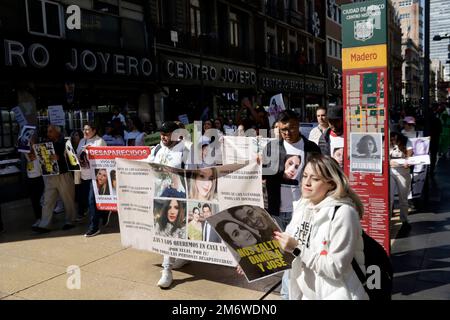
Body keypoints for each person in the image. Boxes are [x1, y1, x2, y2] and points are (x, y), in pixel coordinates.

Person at [273, 154, 368, 300]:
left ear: (331, 183)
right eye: (305, 176)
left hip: (338, 293)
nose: (307, 183)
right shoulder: (303, 204)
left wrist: (297, 248)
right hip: (306, 293)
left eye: (315, 179)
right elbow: (286, 242)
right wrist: (252, 264)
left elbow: (336, 268)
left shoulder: (343, 213)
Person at [147, 121, 192, 288]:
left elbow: (192, 175)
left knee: (170, 233)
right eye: (162, 133)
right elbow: (145, 165)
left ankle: (167, 270)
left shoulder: (185, 151)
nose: (163, 137)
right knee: (170, 233)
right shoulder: (157, 149)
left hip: (177, 199)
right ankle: (183, 256)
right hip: (159, 198)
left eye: (167, 133)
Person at [264, 110, 321, 231]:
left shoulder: (312, 148)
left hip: (303, 210)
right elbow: (263, 176)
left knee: (298, 248)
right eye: (282, 129)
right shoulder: (271, 148)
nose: (287, 133)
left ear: (298, 125)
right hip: (276, 211)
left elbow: (320, 177)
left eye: (291, 128)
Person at [33, 125, 77, 233]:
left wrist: (60, 158)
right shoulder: (46, 143)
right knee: (48, 201)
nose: (48, 133)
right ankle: (45, 224)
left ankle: (70, 221)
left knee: (68, 200)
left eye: (51, 131)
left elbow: (73, 159)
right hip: (50, 175)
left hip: (63, 175)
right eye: (48, 131)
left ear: (57, 132)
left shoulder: (66, 142)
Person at [76, 123, 107, 231]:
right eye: (84, 129)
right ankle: (104, 213)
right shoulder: (81, 141)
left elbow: (104, 159)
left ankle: (94, 227)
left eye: (88, 130)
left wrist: (90, 152)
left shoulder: (100, 142)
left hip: (95, 177)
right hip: (84, 176)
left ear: (94, 131)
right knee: (88, 200)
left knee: (91, 201)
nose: (85, 132)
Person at [389, 131, 413, 230]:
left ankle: (404, 219)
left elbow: (410, 155)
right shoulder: (387, 142)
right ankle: (387, 219)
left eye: (394, 139)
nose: (393, 141)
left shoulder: (407, 141)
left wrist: (408, 161)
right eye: (391, 140)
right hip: (390, 173)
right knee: (389, 198)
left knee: (403, 198)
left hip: (403, 173)